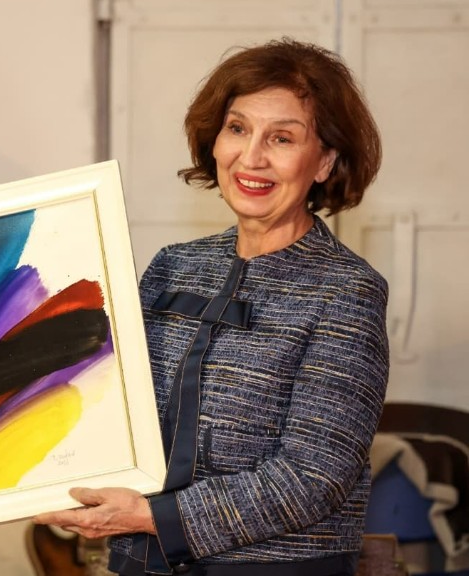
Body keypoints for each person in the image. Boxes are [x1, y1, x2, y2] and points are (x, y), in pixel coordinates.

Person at [34, 38, 388, 576]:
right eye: (237, 128)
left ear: (324, 161)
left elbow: (313, 476)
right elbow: (110, 409)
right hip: (139, 563)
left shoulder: (346, 291)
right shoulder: (173, 266)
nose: (252, 157)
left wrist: (156, 518)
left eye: (282, 138)